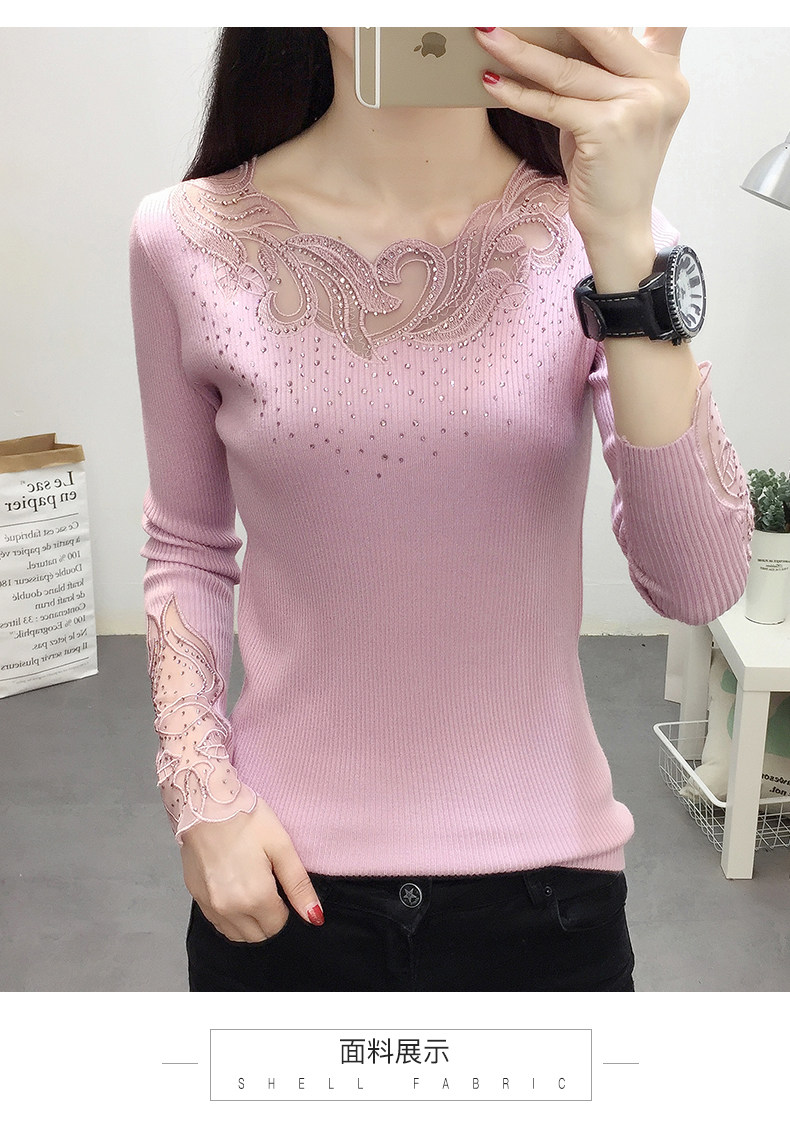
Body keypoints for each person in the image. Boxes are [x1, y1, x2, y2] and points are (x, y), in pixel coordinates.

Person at [129, 27, 754, 991]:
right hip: (279, 872)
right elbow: (187, 547)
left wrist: (626, 241)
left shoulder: (607, 239)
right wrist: (200, 795)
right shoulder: (184, 237)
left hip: (549, 885)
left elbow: (699, 580)